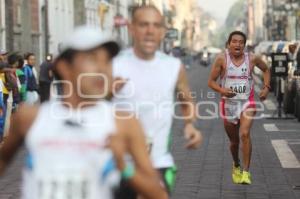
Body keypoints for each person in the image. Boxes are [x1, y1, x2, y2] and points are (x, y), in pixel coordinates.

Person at [0, 26, 168, 199]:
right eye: (92, 59)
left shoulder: (123, 122)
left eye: (108, 61)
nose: (103, 69)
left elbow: (159, 194)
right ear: (64, 67)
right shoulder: (30, 118)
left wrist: (123, 167)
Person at [112, 5, 202, 197]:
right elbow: (88, 106)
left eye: (156, 25)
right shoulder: (113, 65)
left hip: (158, 163)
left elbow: (186, 101)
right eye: (144, 25)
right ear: (131, 28)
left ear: (163, 31)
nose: (150, 31)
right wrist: (107, 93)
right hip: (116, 165)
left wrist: (189, 125)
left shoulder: (173, 66)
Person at [208, 31, 271, 185]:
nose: (237, 44)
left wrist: (266, 87)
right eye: (234, 41)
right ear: (229, 44)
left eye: (241, 42)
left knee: (244, 134)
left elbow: (266, 69)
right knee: (234, 142)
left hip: (246, 103)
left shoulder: (252, 58)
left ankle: (246, 172)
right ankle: (236, 164)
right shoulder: (222, 59)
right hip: (228, 105)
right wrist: (223, 91)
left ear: (244, 44)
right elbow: (211, 82)